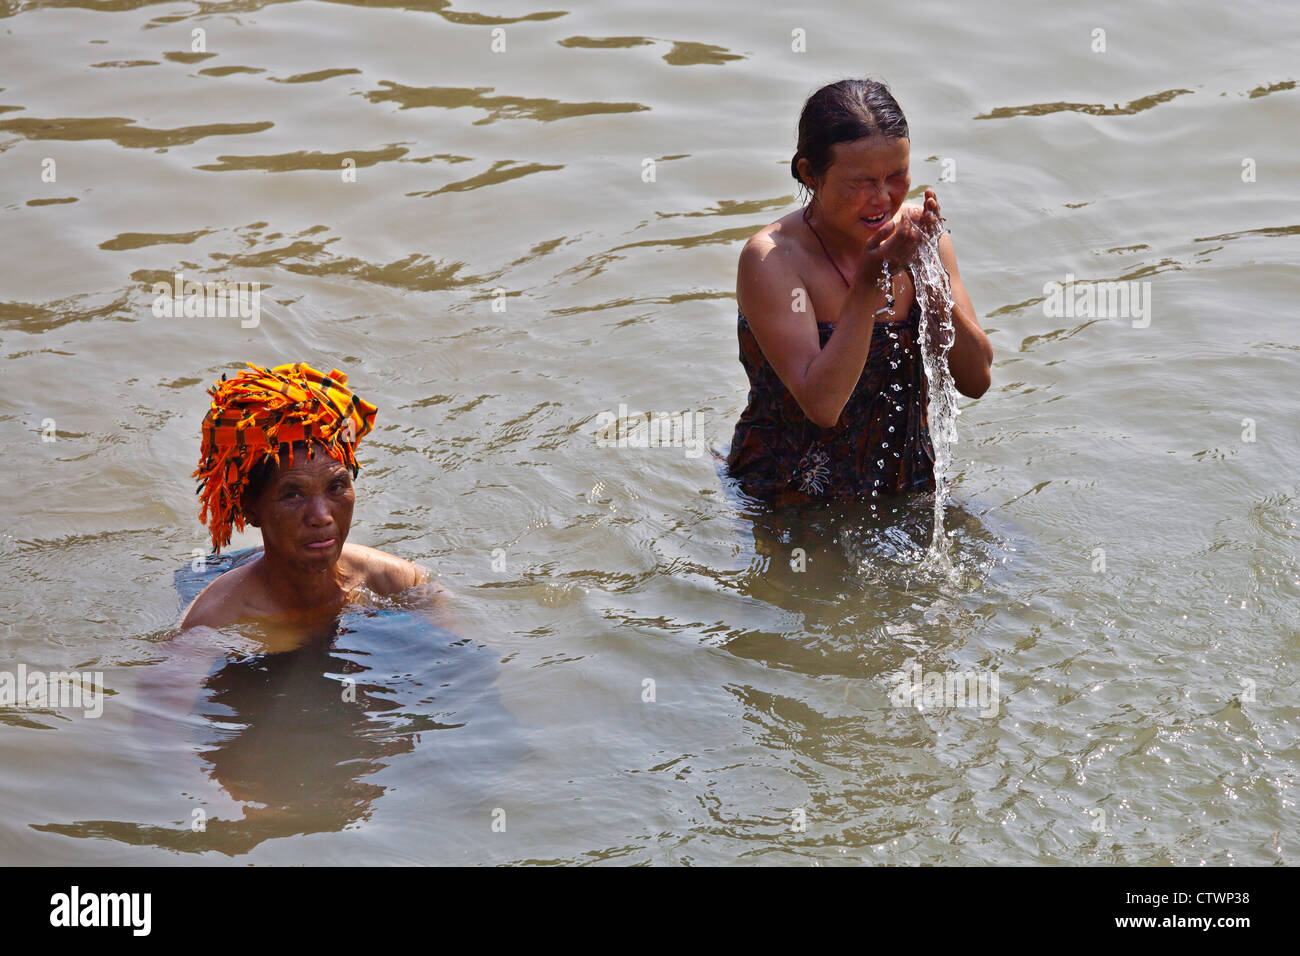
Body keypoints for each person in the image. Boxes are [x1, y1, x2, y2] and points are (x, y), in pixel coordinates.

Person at [726, 78, 993, 506]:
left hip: (908, 486)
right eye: (861, 182)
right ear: (810, 173)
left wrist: (928, 276)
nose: (883, 198)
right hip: (789, 497)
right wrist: (871, 281)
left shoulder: (922, 236)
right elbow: (822, 405)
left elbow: (977, 379)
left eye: (897, 176)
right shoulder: (773, 260)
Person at [179, 362, 441, 633]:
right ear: (251, 510)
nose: (322, 517)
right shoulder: (214, 620)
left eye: (336, 486)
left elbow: (466, 663)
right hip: (213, 573)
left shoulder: (401, 580)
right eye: (293, 494)